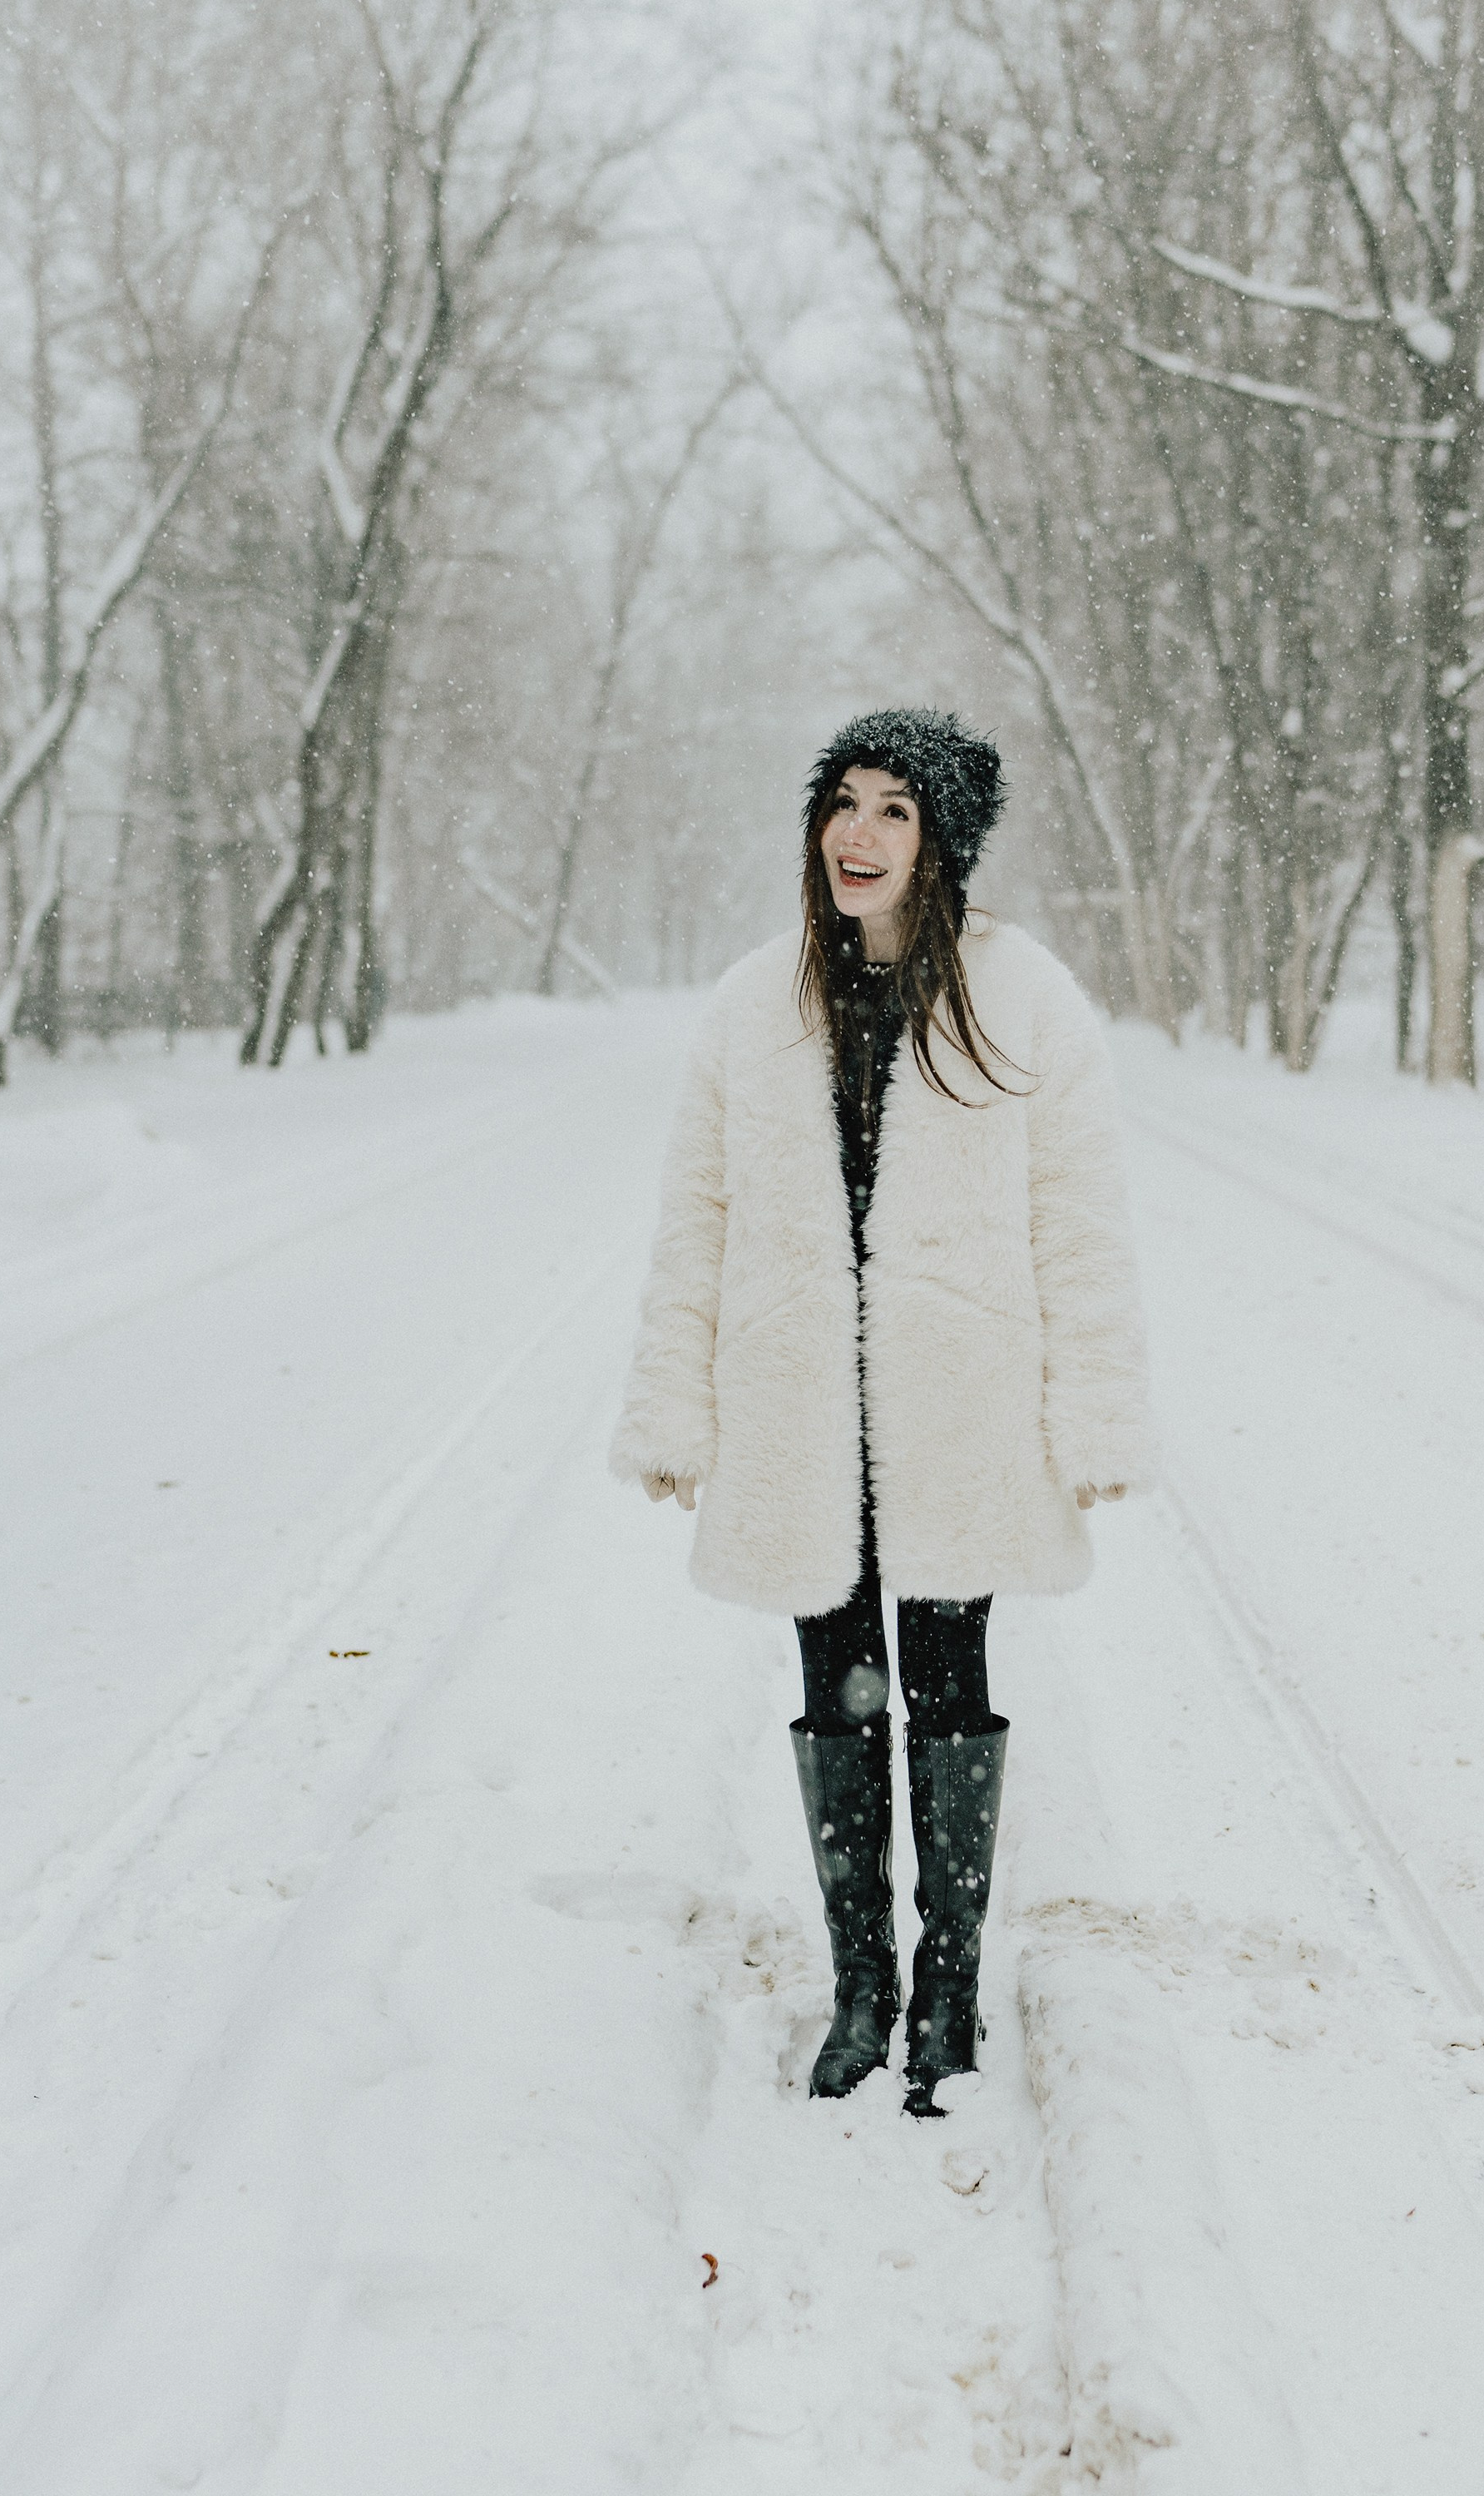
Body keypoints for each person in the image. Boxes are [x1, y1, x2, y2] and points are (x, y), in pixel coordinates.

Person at [611, 709, 1152, 2117]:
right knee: (835, 1692)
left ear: (944, 840)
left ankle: (950, 1985)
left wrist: (1093, 1419)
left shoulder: (1024, 1000)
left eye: (894, 812)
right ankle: (864, 1985)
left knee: (945, 1687)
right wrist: (674, 1409)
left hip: (952, 1409)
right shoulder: (755, 1003)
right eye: (843, 805)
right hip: (801, 1411)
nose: (857, 835)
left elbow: (1080, 1228)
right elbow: (698, 1222)